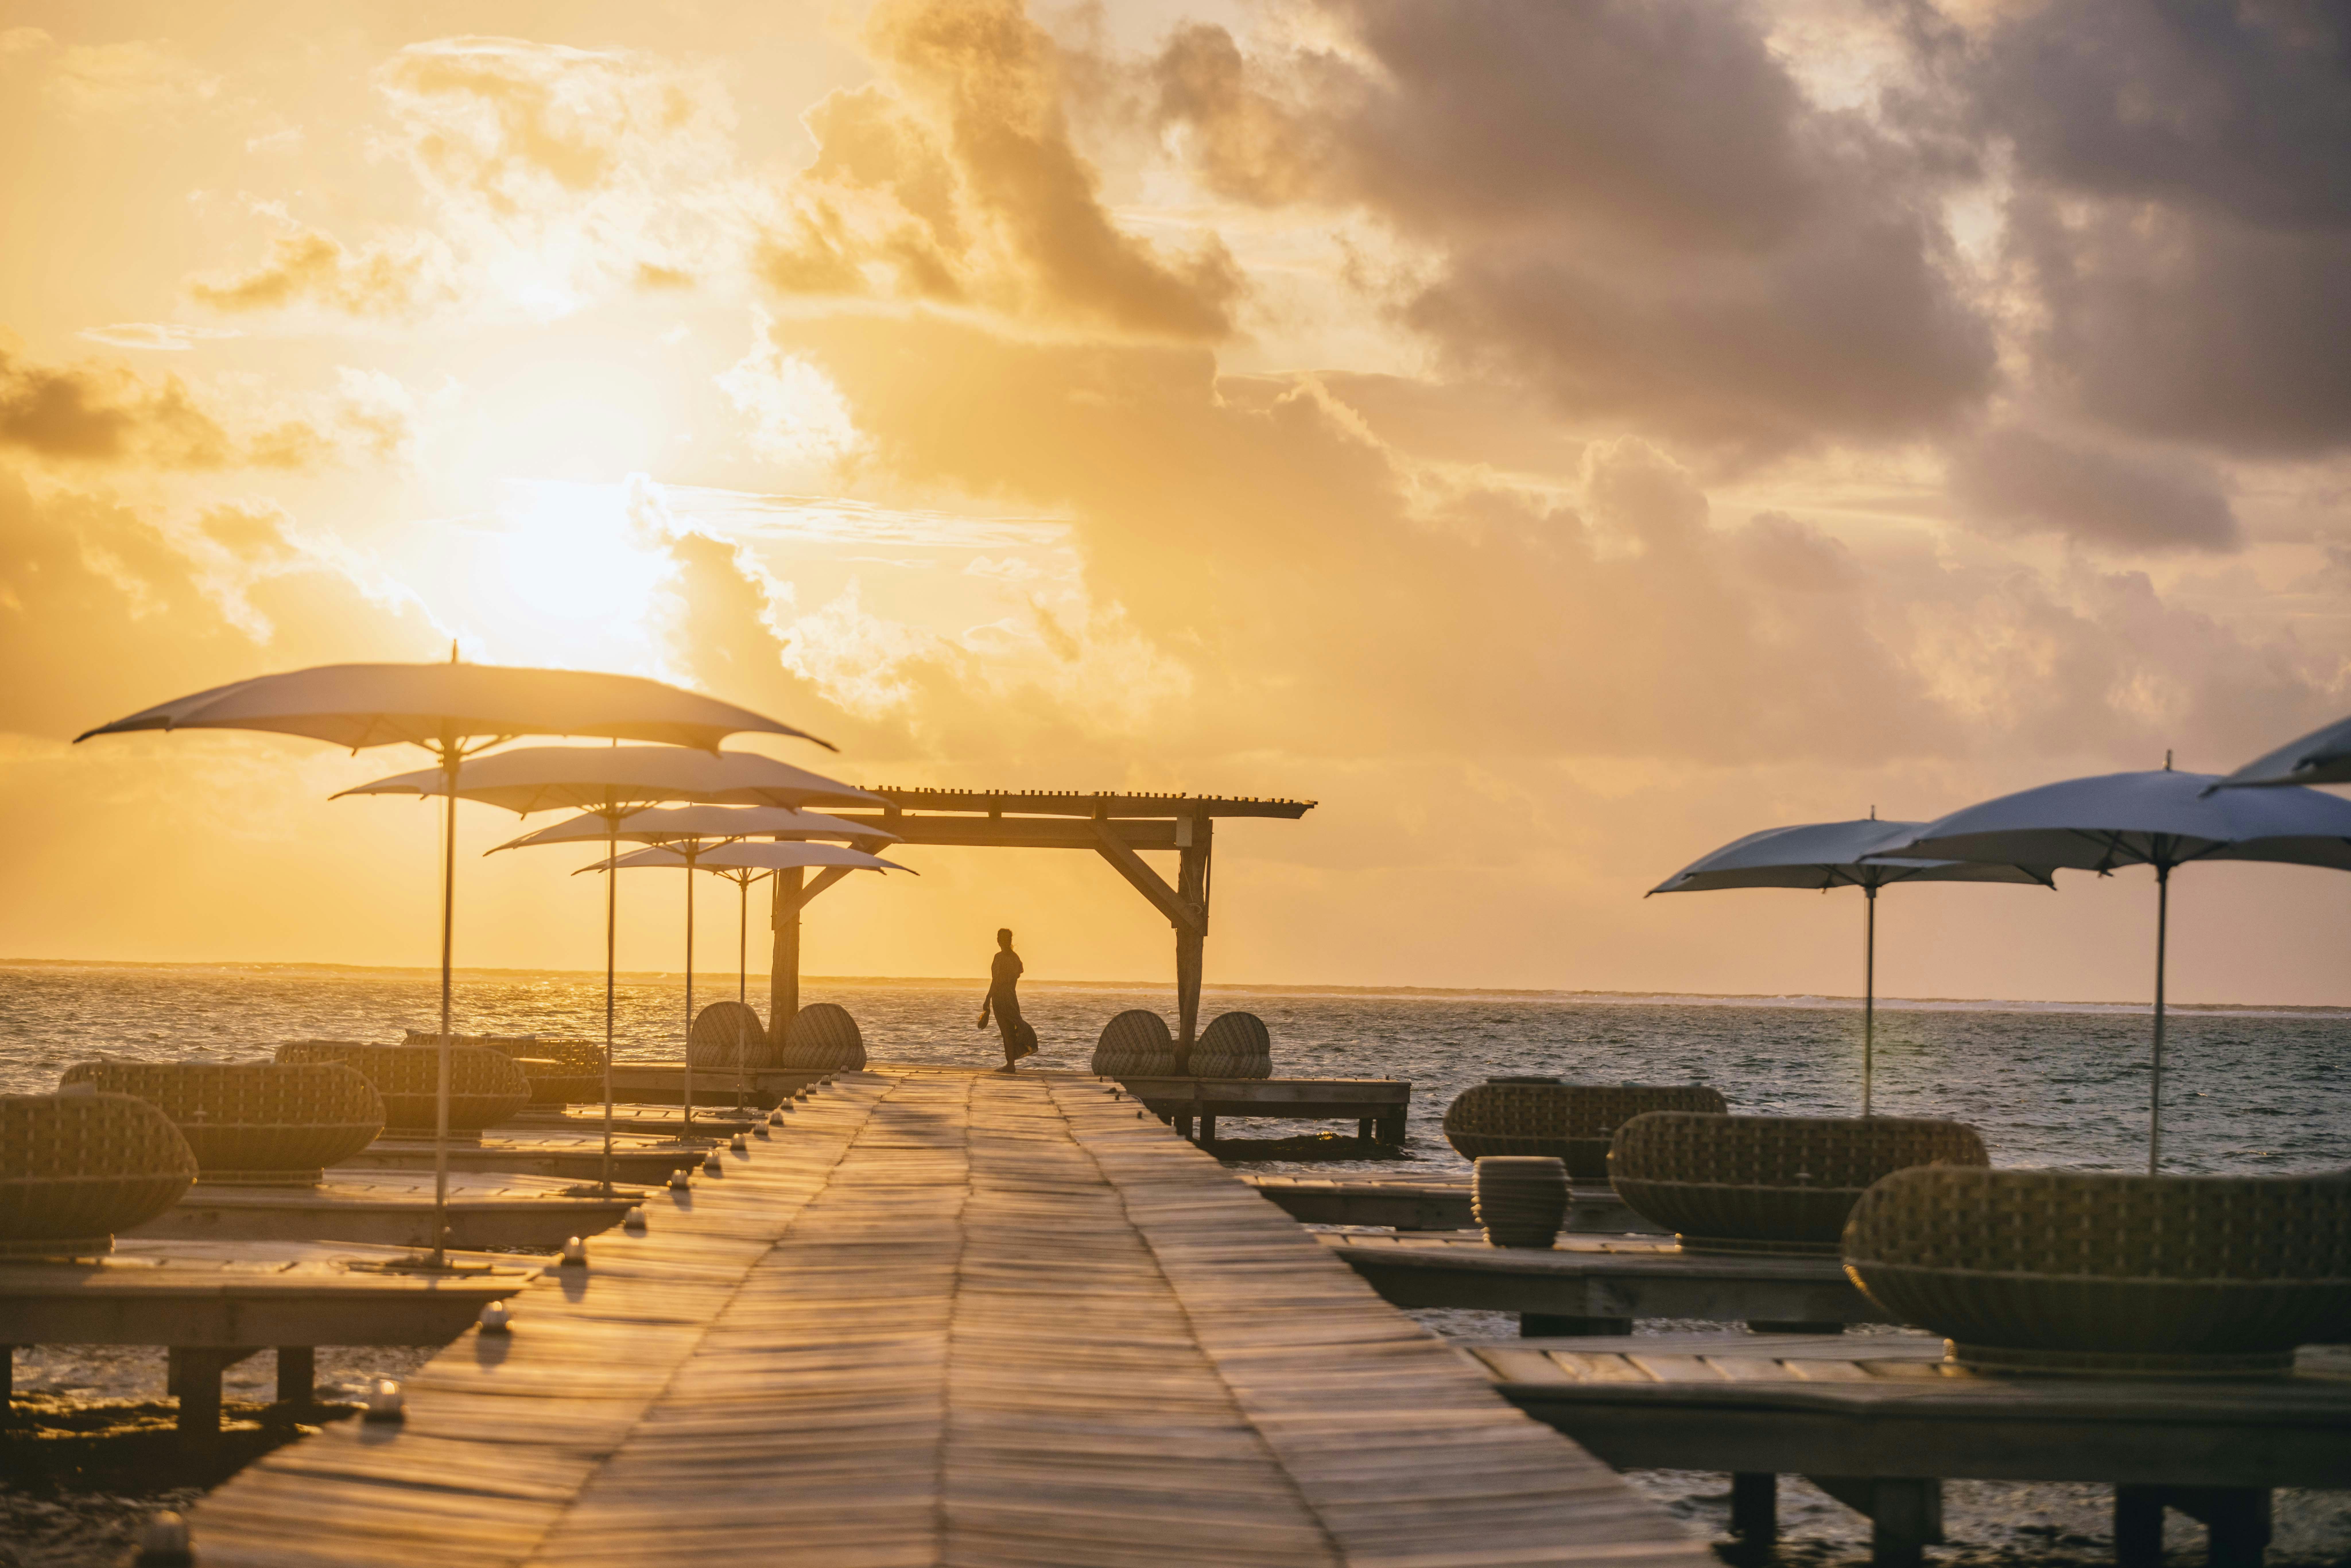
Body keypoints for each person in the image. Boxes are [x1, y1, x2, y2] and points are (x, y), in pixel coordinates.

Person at [977, 927, 1035, 1069]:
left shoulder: (1001, 958)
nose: (1003, 941)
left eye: (1005, 939)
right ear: (998, 941)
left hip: (1002, 998)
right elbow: (1012, 978)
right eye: (1001, 939)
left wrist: (988, 999)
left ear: (1009, 940)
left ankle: (1011, 1064)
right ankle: (1011, 1063)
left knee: (1007, 1031)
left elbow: (996, 981)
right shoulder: (1015, 959)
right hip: (1011, 998)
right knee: (1011, 1029)